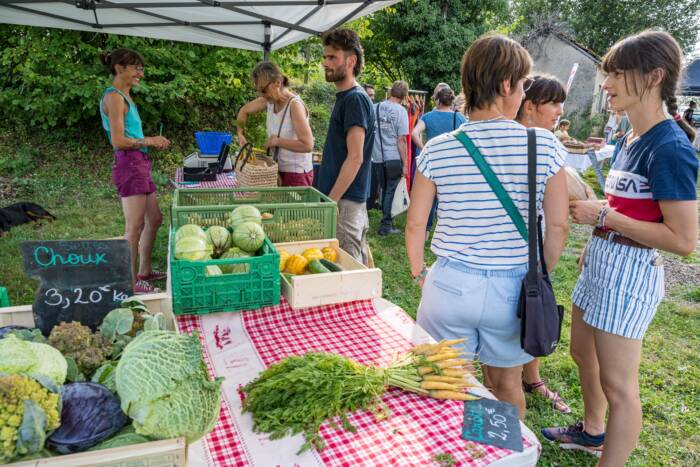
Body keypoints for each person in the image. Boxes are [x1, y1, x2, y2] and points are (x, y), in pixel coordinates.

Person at [544, 31, 698, 465]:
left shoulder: (670, 147)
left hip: (630, 272)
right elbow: (628, 205)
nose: (607, 84)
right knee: (580, 353)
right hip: (602, 261)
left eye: (616, 73)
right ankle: (593, 431)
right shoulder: (632, 139)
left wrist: (603, 217)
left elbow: (684, 241)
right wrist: (600, 225)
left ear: (653, 77)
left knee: (620, 387)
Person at [406, 33, 569, 418]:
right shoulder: (543, 146)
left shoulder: (438, 148)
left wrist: (419, 275)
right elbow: (558, 225)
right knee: (507, 385)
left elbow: (415, 225)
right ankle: (505, 455)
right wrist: (538, 273)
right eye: (524, 84)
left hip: (448, 284)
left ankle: (454, 455)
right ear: (505, 85)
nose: (524, 93)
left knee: (445, 384)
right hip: (513, 289)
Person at [514, 74, 572, 414]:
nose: (560, 110)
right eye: (554, 102)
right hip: (527, 243)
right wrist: (547, 266)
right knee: (530, 306)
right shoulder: (544, 144)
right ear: (530, 105)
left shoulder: (546, 142)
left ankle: (530, 375)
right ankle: (519, 377)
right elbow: (559, 222)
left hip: (527, 238)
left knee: (529, 310)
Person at [99, 48, 170, 294]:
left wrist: (148, 143)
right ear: (120, 68)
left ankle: (144, 272)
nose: (140, 73)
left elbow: (130, 135)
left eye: (141, 68)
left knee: (155, 219)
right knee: (134, 227)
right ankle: (130, 284)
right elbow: (118, 141)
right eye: (136, 68)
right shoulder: (114, 97)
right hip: (129, 164)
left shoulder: (125, 96)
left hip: (139, 163)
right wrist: (149, 140)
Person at [317, 29, 375, 265]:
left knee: (349, 271)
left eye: (332, 58)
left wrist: (331, 202)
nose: (325, 63)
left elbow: (355, 158)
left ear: (350, 61)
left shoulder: (354, 99)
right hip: (344, 200)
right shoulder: (347, 97)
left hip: (346, 202)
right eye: (325, 57)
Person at [236, 61, 314, 187]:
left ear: (277, 82)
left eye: (263, 90)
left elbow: (308, 145)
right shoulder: (269, 100)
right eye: (259, 91)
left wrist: (277, 141)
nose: (262, 95)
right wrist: (240, 134)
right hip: (276, 170)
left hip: (296, 175)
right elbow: (244, 111)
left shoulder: (294, 106)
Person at [411, 84, 468, 239]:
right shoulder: (460, 118)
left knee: (429, 200)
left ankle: (426, 232)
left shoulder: (428, 117)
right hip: (454, 166)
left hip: (434, 164)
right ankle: (448, 232)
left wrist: (423, 148)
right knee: (450, 199)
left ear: (437, 101)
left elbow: (414, 133)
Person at [372, 80, 410, 235]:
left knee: (385, 188)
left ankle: (387, 221)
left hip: (377, 157)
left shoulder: (376, 107)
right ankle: (386, 226)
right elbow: (401, 140)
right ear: (404, 95)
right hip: (393, 157)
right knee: (390, 191)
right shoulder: (401, 112)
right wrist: (405, 163)